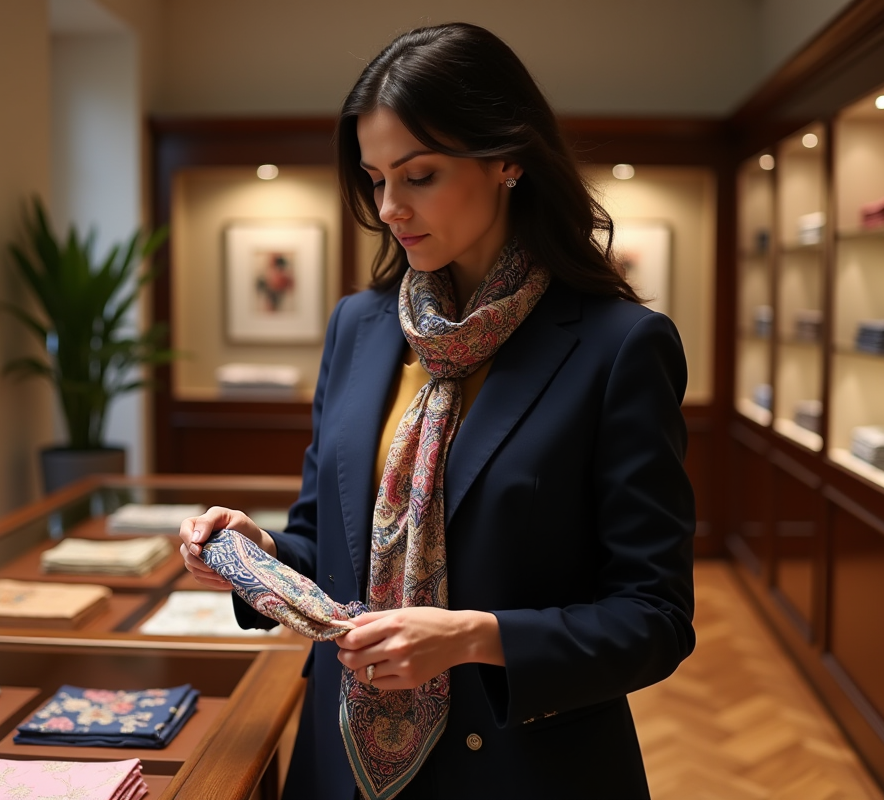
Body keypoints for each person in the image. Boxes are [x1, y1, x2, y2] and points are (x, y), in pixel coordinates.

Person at [179, 22, 695, 800]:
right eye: (375, 178)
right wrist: (261, 552)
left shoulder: (619, 346)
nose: (388, 207)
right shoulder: (359, 326)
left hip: (526, 771)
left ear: (509, 160)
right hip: (342, 762)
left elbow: (654, 618)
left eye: (418, 176)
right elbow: (328, 541)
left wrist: (476, 636)